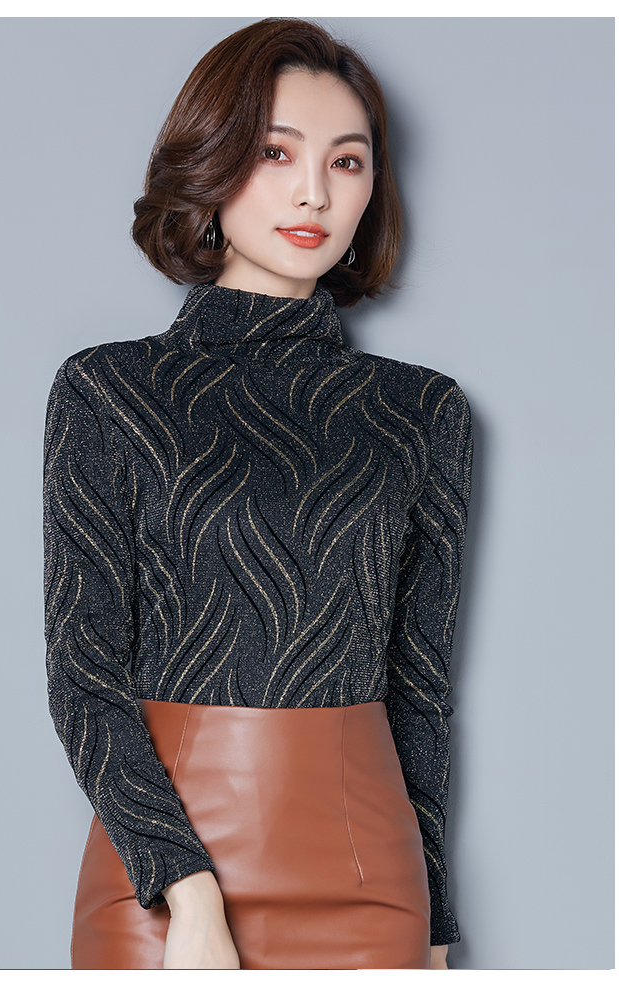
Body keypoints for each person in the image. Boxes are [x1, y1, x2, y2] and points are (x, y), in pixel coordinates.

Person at [43, 17, 473, 971]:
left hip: (369, 875)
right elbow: (84, 673)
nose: (314, 190)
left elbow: (418, 691)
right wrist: (190, 897)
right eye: (275, 152)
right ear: (211, 161)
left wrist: (436, 918)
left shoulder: (420, 412)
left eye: (346, 162)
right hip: (162, 881)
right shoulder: (109, 391)